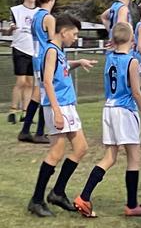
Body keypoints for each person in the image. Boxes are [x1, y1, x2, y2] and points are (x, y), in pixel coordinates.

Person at [74, 22, 141, 218]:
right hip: (125, 110)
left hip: (109, 108)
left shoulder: (109, 57)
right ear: (132, 39)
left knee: (110, 157)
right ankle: (132, 205)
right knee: (134, 158)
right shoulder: (132, 61)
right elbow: (136, 92)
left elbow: (113, 53)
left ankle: (84, 197)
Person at [27, 13, 97, 217]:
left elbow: (60, 69)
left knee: (81, 148)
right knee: (56, 153)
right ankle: (37, 199)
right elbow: (47, 82)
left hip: (67, 105)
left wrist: (78, 62)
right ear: (63, 32)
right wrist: (57, 112)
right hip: (59, 106)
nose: (75, 38)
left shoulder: (57, 50)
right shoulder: (50, 50)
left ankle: (57, 192)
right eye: (74, 34)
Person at [19, 0, 57, 143]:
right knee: (45, 93)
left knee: (37, 94)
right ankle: (40, 131)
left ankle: (26, 130)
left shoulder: (35, 15)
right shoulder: (48, 18)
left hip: (35, 56)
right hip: (44, 58)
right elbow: (52, 41)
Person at [6, 0, 37, 124]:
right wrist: (11, 28)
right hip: (20, 48)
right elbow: (9, 27)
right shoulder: (16, 10)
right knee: (21, 81)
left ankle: (26, 112)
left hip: (33, 50)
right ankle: (13, 110)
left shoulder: (39, 12)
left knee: (30, 82)